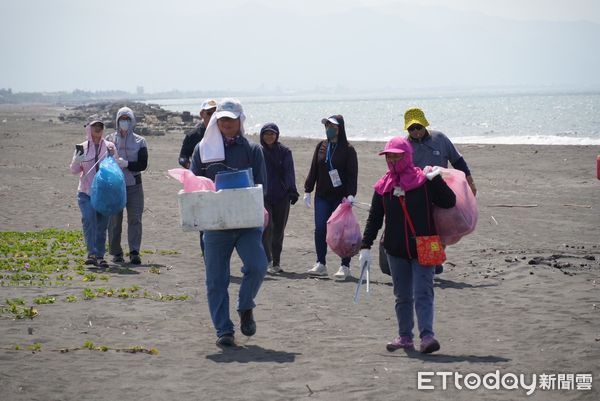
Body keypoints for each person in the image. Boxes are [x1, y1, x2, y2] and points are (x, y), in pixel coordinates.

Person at [359, 137, 456, 354]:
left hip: (426, 244)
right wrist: (365, 246)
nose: (393, 159)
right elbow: (375, 217)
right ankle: (404, 337)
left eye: (397, 155)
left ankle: (427, 337)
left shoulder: (424, 180)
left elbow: (449, 201)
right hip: (395, 249)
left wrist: (436, 180)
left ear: (407, 155)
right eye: (389, 156)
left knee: (424, 291)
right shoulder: (383, 186)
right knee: (402, 295)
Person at [190, 98, 268, 348]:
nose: (226, 123)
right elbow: (194, 185)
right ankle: (224, 329)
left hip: (246, 224)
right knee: (216, 279)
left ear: (240, 120)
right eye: (221, 118)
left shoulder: (253, 150)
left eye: (231, 119)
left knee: (257, 266)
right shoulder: (202, 150)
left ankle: (245, 305)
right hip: (215, 224)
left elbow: (261, 187)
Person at [404, 107, 477, 274]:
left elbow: (458, 161)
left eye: (418, 127)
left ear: (424, 125)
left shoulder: (440, 139)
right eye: (411, 129)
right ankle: (431, 262)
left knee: (441, 226)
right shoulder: (405, 145)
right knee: (425, 227)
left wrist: (470, 181)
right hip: (417, 192)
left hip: (441, 191)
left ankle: (435, 258)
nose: (415, 132)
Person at [304, 115, 358, 280]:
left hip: (340, 198)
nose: (329, 129)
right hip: (322, 196)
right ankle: (321, 263)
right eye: (327, 126)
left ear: (340, 128)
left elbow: (352, 174)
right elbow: (314, 168)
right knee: (320, 228)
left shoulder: (348, 149)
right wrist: (308, 189)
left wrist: (350, 194)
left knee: (342, 232)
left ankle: (345, 265)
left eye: (332, 126)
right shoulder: (321, 146)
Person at [70, 117, 117, 268]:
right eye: (95, 126)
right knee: (89, 219)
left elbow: (115, 167)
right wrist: (77, 160)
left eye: (100, 126)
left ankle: (100, 256)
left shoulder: (110, 146)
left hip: (103, 193)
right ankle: (91, 253)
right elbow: (74, 171)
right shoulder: (81, 147)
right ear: (89, 129)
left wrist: (113, 155)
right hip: (85, 192)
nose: (98, 129)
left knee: (102, 225)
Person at [106, 107, 148, 265]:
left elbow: (143, 164)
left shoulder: (140, 141)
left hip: (134, 185)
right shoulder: (110, 139)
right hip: (115, 186)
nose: (124, 122)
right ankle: (116, 252)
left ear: (132, 121)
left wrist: (127, 164)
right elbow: (104, 160)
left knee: (135, 219)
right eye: (122, 119)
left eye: (127, 119)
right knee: (115, 220)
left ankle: (134, 251)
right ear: (117, 121)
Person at [259, 122, 299, 274]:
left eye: (272, 133)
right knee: (267, 228)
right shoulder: (258, 152)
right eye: (266, 133)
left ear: (277, 135)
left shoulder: (284, 151)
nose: (269, 136)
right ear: (262, 135)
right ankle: (267, 260)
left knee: (279, 230)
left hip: (282, 196)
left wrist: (292, 190)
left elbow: (289, 172)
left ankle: (276, 262)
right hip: (264, 196)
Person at [178, 99, 217, 168]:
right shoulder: (193, 135)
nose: (213, 117)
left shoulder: (225, 133)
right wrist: (190, 166)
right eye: (209, 113)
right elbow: (182, 157)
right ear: (202, 114)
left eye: (216, 113)